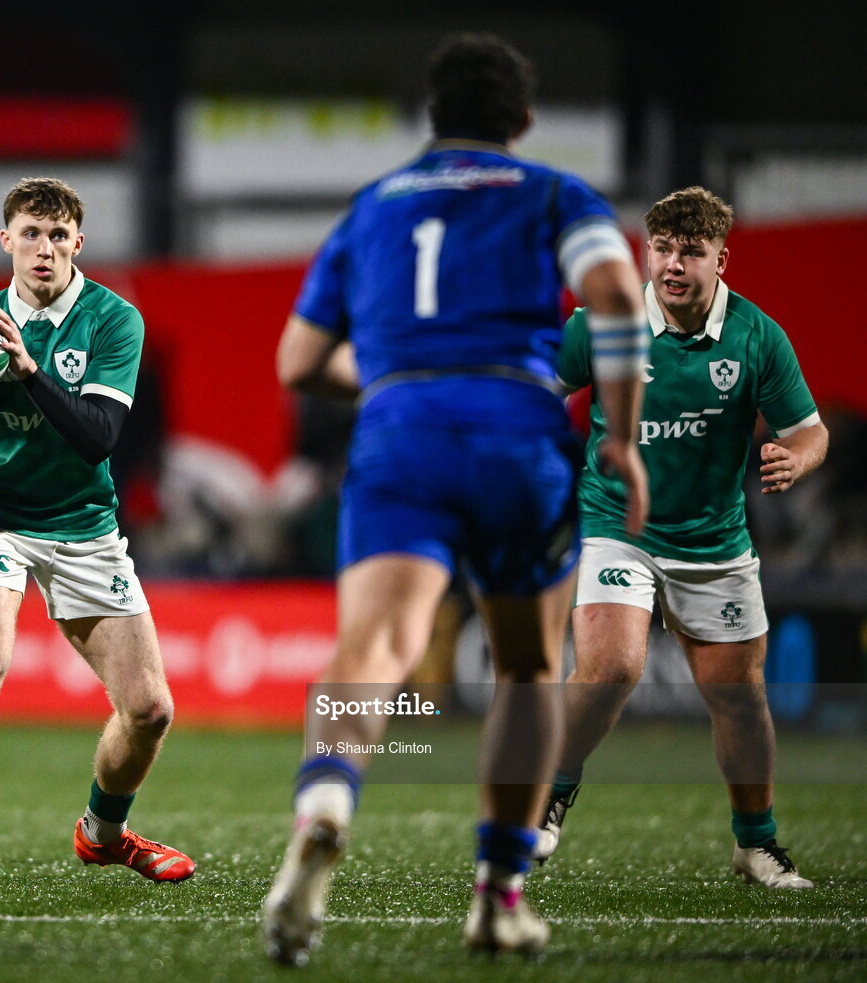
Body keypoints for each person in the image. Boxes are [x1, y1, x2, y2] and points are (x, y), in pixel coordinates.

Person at [262, 33, 649, 964]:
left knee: (373, 647)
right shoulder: (554, 192)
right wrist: (622, 437)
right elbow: (613, 291)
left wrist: (398, 375)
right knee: (524, 666)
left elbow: (298, 361)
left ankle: (325, 801)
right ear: (522, 119)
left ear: (432, 116)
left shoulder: (372, 206)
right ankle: (497, 896)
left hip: (401, 433)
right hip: (516, 431)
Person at [0, 177, 195, 888]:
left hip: (83, 521)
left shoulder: (112, 320)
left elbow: (97, 438)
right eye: (30, 234)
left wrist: (27, 371)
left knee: (150, 709)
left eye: (57, 236)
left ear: (78, 243)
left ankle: (102, 835)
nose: (43, 248)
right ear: (7, 242)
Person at [539, 186, 829, 888]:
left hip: (713, 541)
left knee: (740, 696)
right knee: (611, 667)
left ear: (720, 260)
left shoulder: (756, 336)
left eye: (690, 252)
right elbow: (535, 389)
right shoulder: (606, 323)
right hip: (618, 524)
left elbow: (809, 430)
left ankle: (755, 845)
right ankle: (546, 798)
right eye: (662, 249)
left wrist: (796, 458)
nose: (672, 264)